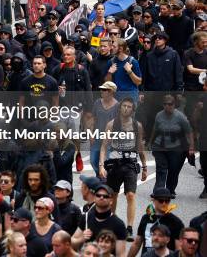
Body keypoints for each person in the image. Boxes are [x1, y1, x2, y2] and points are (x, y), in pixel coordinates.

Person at [98, 97, 147, 240]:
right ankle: (112, 224)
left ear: (133, 110)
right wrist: (101, 166)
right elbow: (104, 147)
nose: (126, 108)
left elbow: (140, 147)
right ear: (120, 108)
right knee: (112, 195)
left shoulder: (137, 125)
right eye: (124, 106)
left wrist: (144, 167)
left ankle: (130, 228)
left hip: (130, 164)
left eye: (129, 106)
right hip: (114, 163)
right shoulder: (111, 125)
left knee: (130, 195)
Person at [150, 95, 194, 194]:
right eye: (165, 104)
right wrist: (150, 142)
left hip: (176, 148)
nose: (167, 106)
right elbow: (155, 129)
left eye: (170, 104)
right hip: (160, 146)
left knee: (173, 170)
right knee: (161, 169)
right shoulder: (159, 115)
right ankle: (159, 191)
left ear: (174, 105)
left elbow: (189, 131)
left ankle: (170, 190)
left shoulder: (180, 117)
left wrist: (191, 147)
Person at [71, 184, 126, 255]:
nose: (101, 197)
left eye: (105, 196)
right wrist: (81, 239)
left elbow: (121, 254)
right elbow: (72, 243)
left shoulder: (118, 224)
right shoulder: (86, 217)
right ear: (94, 198)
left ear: (111, 200)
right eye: (98, 195)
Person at [128, 188, 184, 257]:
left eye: (167, 201)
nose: (164, 203)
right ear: (153, 200)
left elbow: (179, 249)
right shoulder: (146, 218)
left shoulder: (175, 222)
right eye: (161, 200)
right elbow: (137, 243)